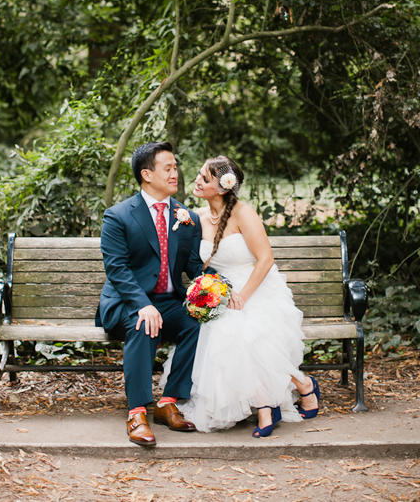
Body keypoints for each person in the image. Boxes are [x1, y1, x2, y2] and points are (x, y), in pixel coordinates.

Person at [163, 155, 321, 437]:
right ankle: (301, 386)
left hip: (256, 287)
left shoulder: (244, 213)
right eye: (199, 174)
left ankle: (266, 405)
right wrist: (210, 291)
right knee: (223, 328)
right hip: (220, 291)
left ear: (223, 187)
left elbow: (266, 259)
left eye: (205, 178)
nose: (197, 180)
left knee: (241, 330)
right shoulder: (194, 217)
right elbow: (190, 263)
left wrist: (243, 297)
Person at [96, 141, 206, 446]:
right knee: (144, 324)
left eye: (175, 167)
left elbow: (194, 267)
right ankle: (138, 412)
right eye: (167, 168)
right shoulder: (118, 216)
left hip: (168, 303)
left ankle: (168, 401)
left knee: (196, 322)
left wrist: (218, 288)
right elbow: (117, 269)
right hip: (125, 303)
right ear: (147, 174)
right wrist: (143, 305)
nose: (175, 174)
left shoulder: (188, 218)